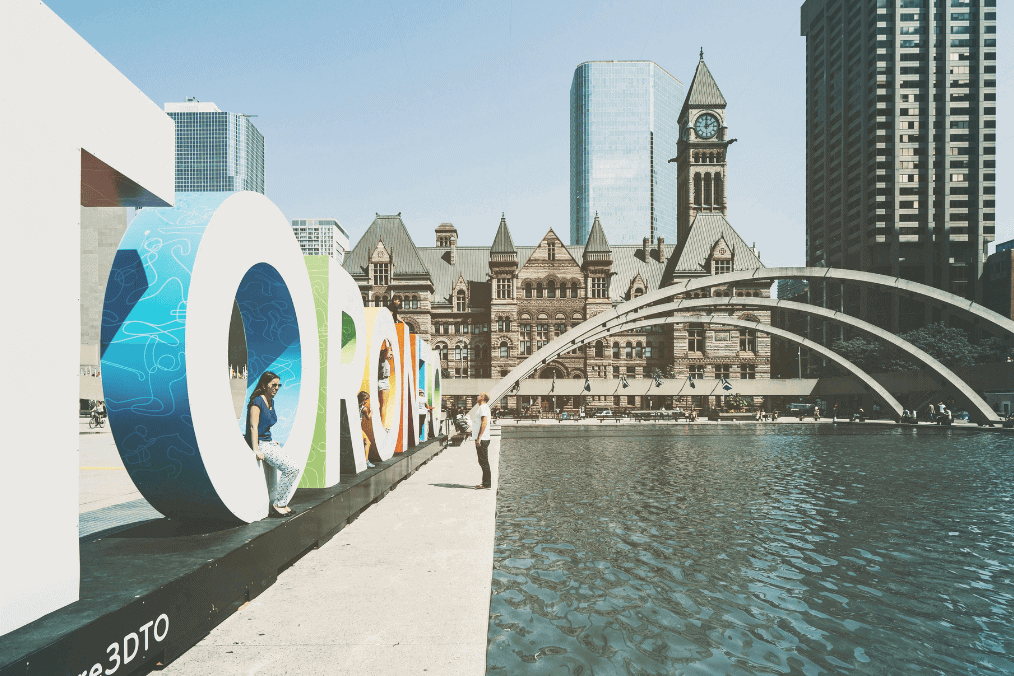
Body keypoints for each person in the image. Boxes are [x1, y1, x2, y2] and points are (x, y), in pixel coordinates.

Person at [246, 371, 300, 517]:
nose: (276, 388)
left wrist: (271, 440)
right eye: (273, 385)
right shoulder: (257, 401)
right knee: (292, 468)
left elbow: (266, 425)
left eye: (278, 385)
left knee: (294, 468)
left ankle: (282, 503)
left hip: (268, 442)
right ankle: (279, 504)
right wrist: (256, 449)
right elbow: (253, 427)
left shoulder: (271, 401)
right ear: (264, 385)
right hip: (261, 444)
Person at [473, 392, 492, 490]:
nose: (477, 397)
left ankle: (486, 484)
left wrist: (479, 438)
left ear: (483, 398)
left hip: (482, 438)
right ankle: (485, 482)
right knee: (482, 461)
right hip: (482, 438)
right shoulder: (482, 407)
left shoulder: (483, 407)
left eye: (479, 395)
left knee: (484, 461)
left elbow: (484, 423)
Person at [358, 390, 376, 468]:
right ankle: (366, 461)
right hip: (358, 428)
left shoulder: (355, 405)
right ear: (364, 399)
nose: (367, 402)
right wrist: (371, 411)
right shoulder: (363, 408)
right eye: (366, 400)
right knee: (367, 442)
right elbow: (368, 418)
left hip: (355, 427)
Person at [377, 344, 392, 431]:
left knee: (382, 405)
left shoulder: (383, 361)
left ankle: (381, 424)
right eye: (390, 354)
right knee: (384, 405)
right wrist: (389, 343)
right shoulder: (382, 360)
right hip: (383, 381)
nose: (391, 355)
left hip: (382, 381)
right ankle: (382, 425)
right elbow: (387, 349)